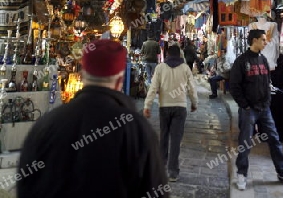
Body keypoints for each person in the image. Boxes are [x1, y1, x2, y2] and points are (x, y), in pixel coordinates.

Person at [17, 40, 170, 198]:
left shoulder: (46, 124)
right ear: (120, 81)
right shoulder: (137, 130)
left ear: (82, 76)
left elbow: (26, 184)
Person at [230, 29, 283, 191]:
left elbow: (267, 83)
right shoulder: (241, 62)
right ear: (254, 41)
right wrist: (245, 105)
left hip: (264, 109)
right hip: (248, 110)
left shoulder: (263, 60)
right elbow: (234, 86)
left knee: (274, 139)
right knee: (245, 143)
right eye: (262, 39)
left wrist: (267, 101)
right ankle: (241, 174)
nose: (266, 42)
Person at [143, 44, 198, 182]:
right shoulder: (185, 68)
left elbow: (153, 87)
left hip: (164, 107)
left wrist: (147, 105)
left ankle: (161, 169)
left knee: (164, 137)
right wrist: (194, 103)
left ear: (167, 54)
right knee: (175, 140)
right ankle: (173, 172)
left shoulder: (160, 67)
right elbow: (192, 88)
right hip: (180, 107)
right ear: (180, 55)